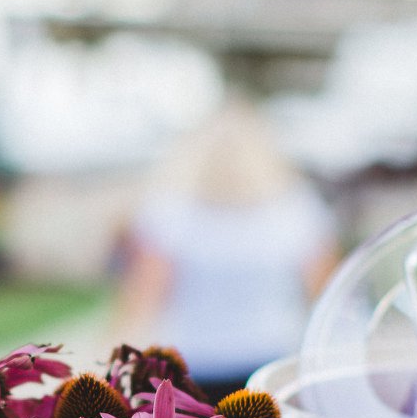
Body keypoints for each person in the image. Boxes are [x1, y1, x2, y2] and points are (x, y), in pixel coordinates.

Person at [116, 96, 339, 400]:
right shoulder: (298, 210)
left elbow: (142, 299)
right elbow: (327, 298)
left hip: (192, 366)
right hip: (272, 361)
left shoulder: (168, 214)